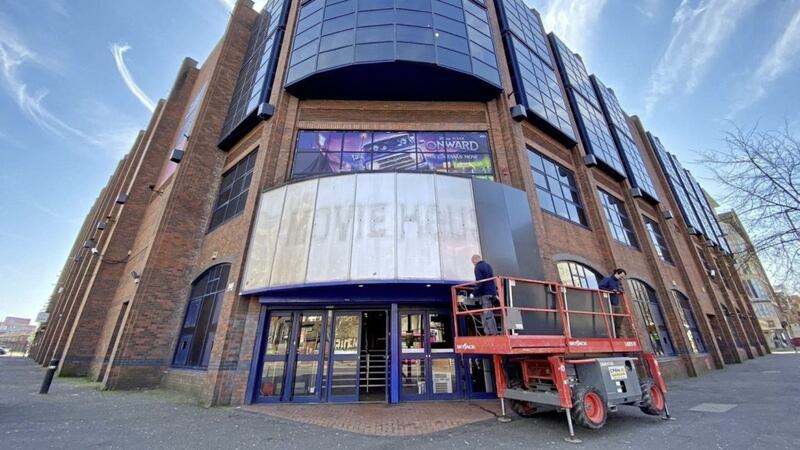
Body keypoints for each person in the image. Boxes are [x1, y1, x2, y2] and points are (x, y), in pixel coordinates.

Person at [471, 254, 499, 336]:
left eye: (473, 262)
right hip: (492, 293)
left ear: (475, 260)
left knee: (487, 314)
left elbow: (479, 282)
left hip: (485, 294)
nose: (473, 264)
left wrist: (474, 293)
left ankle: (492, 333)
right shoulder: (488, 266)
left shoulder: (477, 267)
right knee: (487, 313)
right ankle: (489, 332)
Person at [599, 268, 627, 336]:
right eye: (621, 276)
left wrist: (620, 291)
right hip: (609, 303)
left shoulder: (618, 282)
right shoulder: (608, 279)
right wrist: (611, 290)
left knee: (619, 318)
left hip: (616, 303)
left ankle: (618, 336)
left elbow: (621, 289)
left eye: (622, 277)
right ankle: (609, 335)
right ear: (617, 273)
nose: (621, 278)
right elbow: (600, 287)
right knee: (610, 320)